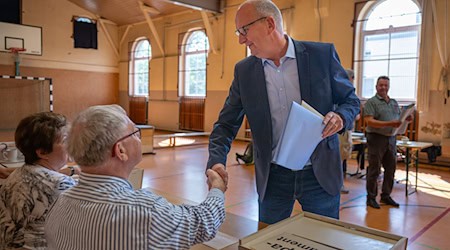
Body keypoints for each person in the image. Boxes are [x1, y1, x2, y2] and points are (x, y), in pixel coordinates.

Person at [207, 0, 360, 224]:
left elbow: (351, 101)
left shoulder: (321, 55)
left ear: (270, 24)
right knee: (268, 240)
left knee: (322, 239)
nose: (241, 39)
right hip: (273, 177)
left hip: (319, 175)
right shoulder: (245, 71)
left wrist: (340, 117)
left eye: (244, 30)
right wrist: (216, 160)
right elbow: (226, 124)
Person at [45, 105, 227, 250]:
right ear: (120, 150)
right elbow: (204, 222)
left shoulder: (59, 202)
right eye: (135, 133)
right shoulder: (146, 211)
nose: (139, 138)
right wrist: (217, 188)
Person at [0, 112, 77, 249]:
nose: (72, 144)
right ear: (42, 152)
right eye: (65, 140)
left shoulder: (17, 174)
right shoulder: (61, 184)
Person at [364, 76, 411, 209]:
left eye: (386, 85)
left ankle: (386, 195)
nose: (383, 87)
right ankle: (371, 197)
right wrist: (390, 123)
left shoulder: (394, 102)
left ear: (389, 86)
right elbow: (369, 121)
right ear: (376, 87)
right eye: (381, 85)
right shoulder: (371, 103)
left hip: (391, 138)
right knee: (375, 169)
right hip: (376, 138)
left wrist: (407, 119)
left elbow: (398, 119)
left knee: (391, 169)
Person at [339, 69, 361, 194]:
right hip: (342, 132)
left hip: (347, 131)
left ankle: (339, 183)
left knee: (343, 159)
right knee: (339, 159)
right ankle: (338, 184)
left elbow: (357, 116)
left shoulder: (350, 93)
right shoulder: (343, 91)